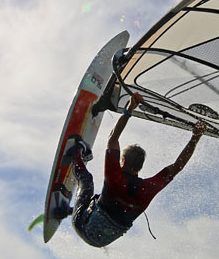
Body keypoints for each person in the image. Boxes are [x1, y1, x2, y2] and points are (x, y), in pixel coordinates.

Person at [61, 92, 205, 247]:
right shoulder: (147, 189)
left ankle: (75, 152)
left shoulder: (115, 176)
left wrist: (130, 108)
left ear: (122, 161)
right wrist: (195, 137)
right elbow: (177, 166)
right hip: (102, 241)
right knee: (105, 203)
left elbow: (113, 138)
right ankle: (68, 211)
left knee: (86, 180)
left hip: (82, 224)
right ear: (140, 166)